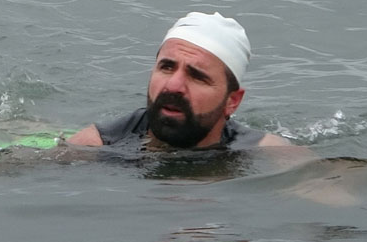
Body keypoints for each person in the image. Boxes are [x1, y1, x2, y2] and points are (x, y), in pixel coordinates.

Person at [66, 11, 294, 151]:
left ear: (232, 101)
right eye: (167, 67)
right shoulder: (96, 147)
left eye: (197, 76)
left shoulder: (262, 151)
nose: (173, 86)